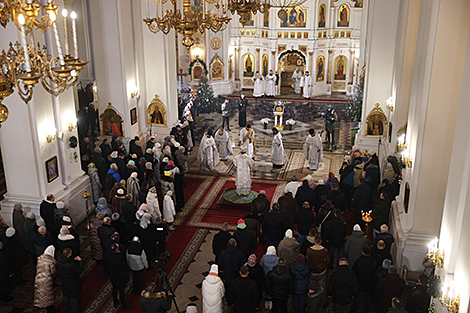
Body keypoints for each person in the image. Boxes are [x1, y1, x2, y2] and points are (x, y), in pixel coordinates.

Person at [218, 238, 245, 304]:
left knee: (228, 288)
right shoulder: (240, 253)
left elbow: (220, 262)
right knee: (237, 288)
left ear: (228, 244)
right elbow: (243, 264)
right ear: (236, 244)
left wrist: (221, 270)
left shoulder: (223, 252)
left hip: (227, 274)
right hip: (236, 274)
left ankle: (229, 301)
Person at [56, 248, 83, 313]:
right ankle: (75, 310)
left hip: (64, 282)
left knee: (66, 296)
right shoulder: (70, 265)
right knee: (74, 297)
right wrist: (81, 261)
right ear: (68, 255)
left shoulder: (59, 261)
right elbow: (79, 270)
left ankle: (67, 310)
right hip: (72, 283)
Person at [107, 243, 131, 310]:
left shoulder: (108, 255)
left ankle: (115, 301)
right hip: (120, 276)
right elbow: (124, 266)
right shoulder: (119, 257)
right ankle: (123, 304)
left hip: (113, 275)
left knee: (114, 289)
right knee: (121, 291)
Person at [353, 246, 377, 312]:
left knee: (357, 295)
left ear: (362, 252)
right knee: (367, 296)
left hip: (359, 280)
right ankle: (367, 309)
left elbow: (354, 270)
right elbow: (375, 271)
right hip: (369, 281)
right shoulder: (373, 261)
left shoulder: (358, 261)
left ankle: (355, 308)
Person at [34, 245, 57, 313]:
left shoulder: (40, 259)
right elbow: (53, 272)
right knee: (47, 295)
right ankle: (51, 310)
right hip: (46, 280)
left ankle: (48, 308)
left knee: (41, 293)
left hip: (39, 278)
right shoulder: (50, 262)